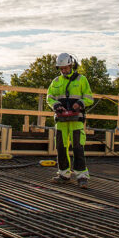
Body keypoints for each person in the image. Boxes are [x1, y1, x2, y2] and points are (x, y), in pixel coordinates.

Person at [46, 53, 94, 188]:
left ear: (71, 65)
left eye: (65, 68)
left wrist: (80, 103)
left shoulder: (81, 80)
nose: (63, 71)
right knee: (61, 147)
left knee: (78, 147)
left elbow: (89, 98)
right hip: (61, 120)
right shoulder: (56, 82)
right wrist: (56, 105)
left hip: (76, 120)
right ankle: (64, 174)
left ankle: (82, 176)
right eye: (61, 69)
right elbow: (49, 97)